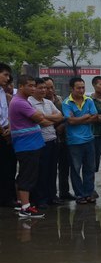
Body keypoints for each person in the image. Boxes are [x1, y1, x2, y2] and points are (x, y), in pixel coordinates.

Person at [10, 75, 52, 218]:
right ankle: (26, 208)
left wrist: (43, 117)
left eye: (34, 85)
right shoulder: (20, 103)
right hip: (27, 145)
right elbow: (41, 118)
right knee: (27, 176)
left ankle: (22, 203)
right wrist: (43, 117)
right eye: (30, 85)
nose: (33, 88)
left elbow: (42, 118)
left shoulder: (23, 101)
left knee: (25, 175)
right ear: (21, 86)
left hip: (31, 144)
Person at [62, 76, 99, 204]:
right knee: (76, 170)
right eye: (78, 88)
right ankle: (79, 194)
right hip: (74, 142)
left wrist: (79, 119)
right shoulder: (67, 103)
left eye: (83, 87)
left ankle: (89, 193)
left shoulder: (88, 100)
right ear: (72, 89)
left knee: (89, 169)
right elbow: (70, 121)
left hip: (89, 139)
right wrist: (86, 116)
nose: (81, 90)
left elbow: (95, 117)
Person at [29, 78, 63, 209]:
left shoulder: (49, 102)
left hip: (52, 140)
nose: (44, 90)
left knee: (52, 170)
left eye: (46, 88)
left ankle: (51, 196)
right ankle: (40, 199)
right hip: (39, 141)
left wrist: (44, 117)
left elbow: (60, 117)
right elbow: (40, 122)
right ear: (33, 89)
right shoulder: (29, 103)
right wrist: (50, 119)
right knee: (41, 171)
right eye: (41, 88)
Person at [0, 63, 15, 207]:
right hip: (2, 134)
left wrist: (10, 127)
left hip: (7, 133)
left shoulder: (3, 93)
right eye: (5, 74)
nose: (7, 78)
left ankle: (8, 197)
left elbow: (7, 114)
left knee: (9, 167)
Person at [89, 76, 101, 194]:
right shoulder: (89, 100)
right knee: (92, 164)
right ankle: (91, 188)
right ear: (94, 85)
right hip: (94, 134)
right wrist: (98, 118)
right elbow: (91, 117)